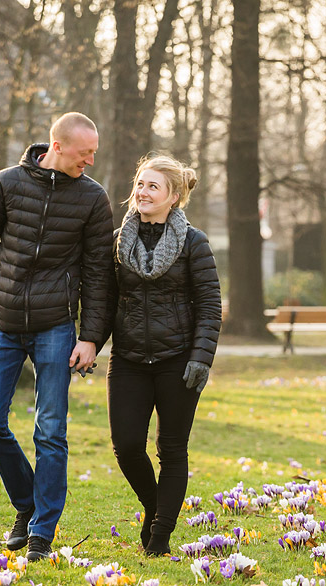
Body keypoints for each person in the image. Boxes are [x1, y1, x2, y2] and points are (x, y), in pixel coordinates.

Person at [0, 112, 114, 562]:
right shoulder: (6, 184)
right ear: (57, 147)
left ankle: (42, 530)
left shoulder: (92, 198)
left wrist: (91, 338)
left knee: (51, 430)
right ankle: (27, 505)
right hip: (0, 323)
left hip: (55, 328)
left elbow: (99, 275)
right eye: (85, 153)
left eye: (94, 153)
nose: (91, 161)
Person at [107, 155, 221, 556]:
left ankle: (159, 539)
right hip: (128, 361)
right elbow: (105, 302)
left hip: (179, 362)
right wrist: (88, 343)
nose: (142, 192)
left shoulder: (194, 243)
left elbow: (210, 305)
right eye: (140, 184)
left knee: (171, 450)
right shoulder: (119, 240)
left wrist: (201, 358)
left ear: (173, 197)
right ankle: (155, 508)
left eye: (153, 186)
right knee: (126, 446)